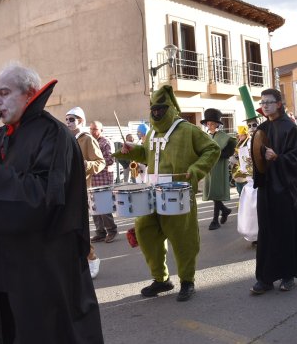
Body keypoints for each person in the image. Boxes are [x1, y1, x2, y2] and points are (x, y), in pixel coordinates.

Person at [0, 62, 104, 344]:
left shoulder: (54, 133)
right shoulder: (2, 135)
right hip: (7, 260)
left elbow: (46, 197)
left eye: (4, 92)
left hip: (45, 262)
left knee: (46, 331)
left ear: (29, 93)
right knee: (11, 329)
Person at [115, 85, 219, 302]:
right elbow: (147, 155)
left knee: (183, 237)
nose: (156, 113)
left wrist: (195, 170)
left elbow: (212, 149)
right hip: (152, 192)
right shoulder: (152, 131)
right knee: (145, 231)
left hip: (178, 192)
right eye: (153, 109)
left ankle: (187, 281)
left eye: (161, 109)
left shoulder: (188, 130)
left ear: (170, 108)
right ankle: (161, 280)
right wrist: (131, 149)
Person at [249, 88, 297, 294]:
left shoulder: (291, 128)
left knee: (285, 232)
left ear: (279, 104)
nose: (265, 105)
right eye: (262, 102)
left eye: (269, 102)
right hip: (267, 188)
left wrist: (279, 158)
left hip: (286, 190)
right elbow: (257, 158)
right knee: (266, 233)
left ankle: (287, 275)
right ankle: (265, 278)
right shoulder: (261, 128)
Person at [65, 106, 105, 278]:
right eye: (66, 119)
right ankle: (79, 261)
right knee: (69, 228)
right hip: (66, 189)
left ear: (81, 120)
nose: (68, 123)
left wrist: (83, 165)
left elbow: (100, 162)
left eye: (71, 119)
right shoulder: (66, 138)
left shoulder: (87, 139)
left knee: (80, 228)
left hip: (81, 189)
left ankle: (92, 258)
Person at [202, 108, 236, 230]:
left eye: (212, 123)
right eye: (208, 123)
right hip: (209, 168)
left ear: (217, 124)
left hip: (219, 167)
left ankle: (215, 219)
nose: (209, 125)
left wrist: (215, 154)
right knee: (212, 193)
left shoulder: (225, 137)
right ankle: (225, 210)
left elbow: (228, 152)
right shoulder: (205, 137)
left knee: (215, 193)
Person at [89, 120, 118, 243]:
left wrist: (94, 163)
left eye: (95, 129)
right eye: (91, 129)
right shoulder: (90, 141)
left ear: (101, 130)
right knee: (94, 208)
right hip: (92, 180)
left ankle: (112, 231)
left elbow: (110, 160)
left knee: (104, 208)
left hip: (103, 180)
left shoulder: (105, 142)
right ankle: (100, 232)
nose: (92, 131)